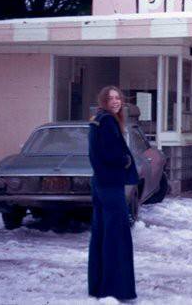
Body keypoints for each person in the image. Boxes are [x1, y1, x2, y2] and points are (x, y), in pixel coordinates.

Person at [88, 86, 139, 301]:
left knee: (102, 234)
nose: (116, 101)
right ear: (104, 101)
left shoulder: (97, 120)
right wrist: (125, 161)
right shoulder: (108, 121)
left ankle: (99, 286)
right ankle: (117, 289)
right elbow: (111, 154)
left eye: (118, 98)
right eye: (111, 99)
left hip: (100, 184)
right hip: (111, 185)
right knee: (117, 236)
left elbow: (96, 153)